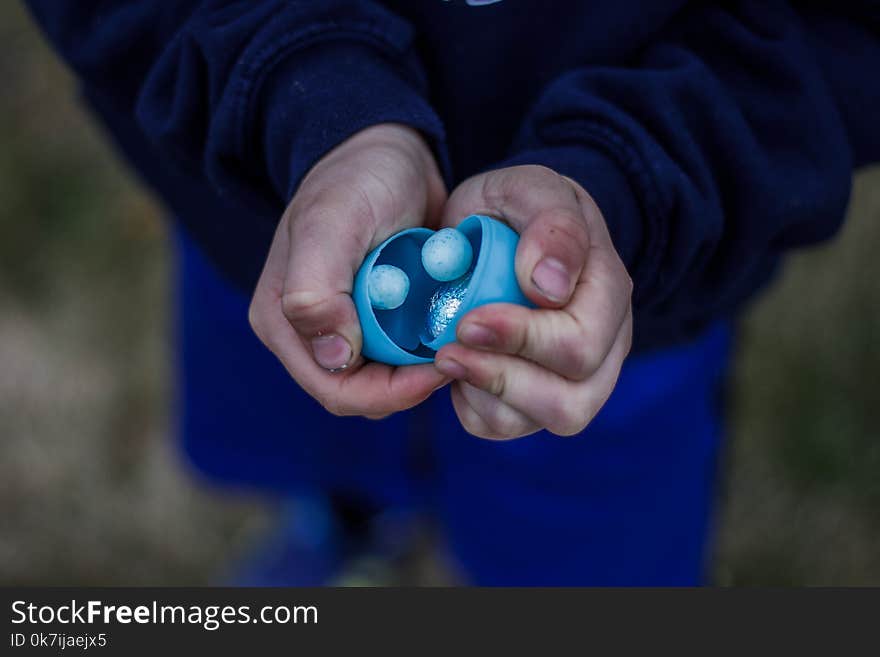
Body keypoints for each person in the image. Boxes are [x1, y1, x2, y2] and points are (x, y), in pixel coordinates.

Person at [24, 0, 879, 585]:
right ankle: (349, 517)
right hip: (275, 220)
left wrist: (632, 170)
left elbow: (847, 38)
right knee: (322, 410)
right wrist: (313, 101)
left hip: (618, 311)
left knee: (584, 543)